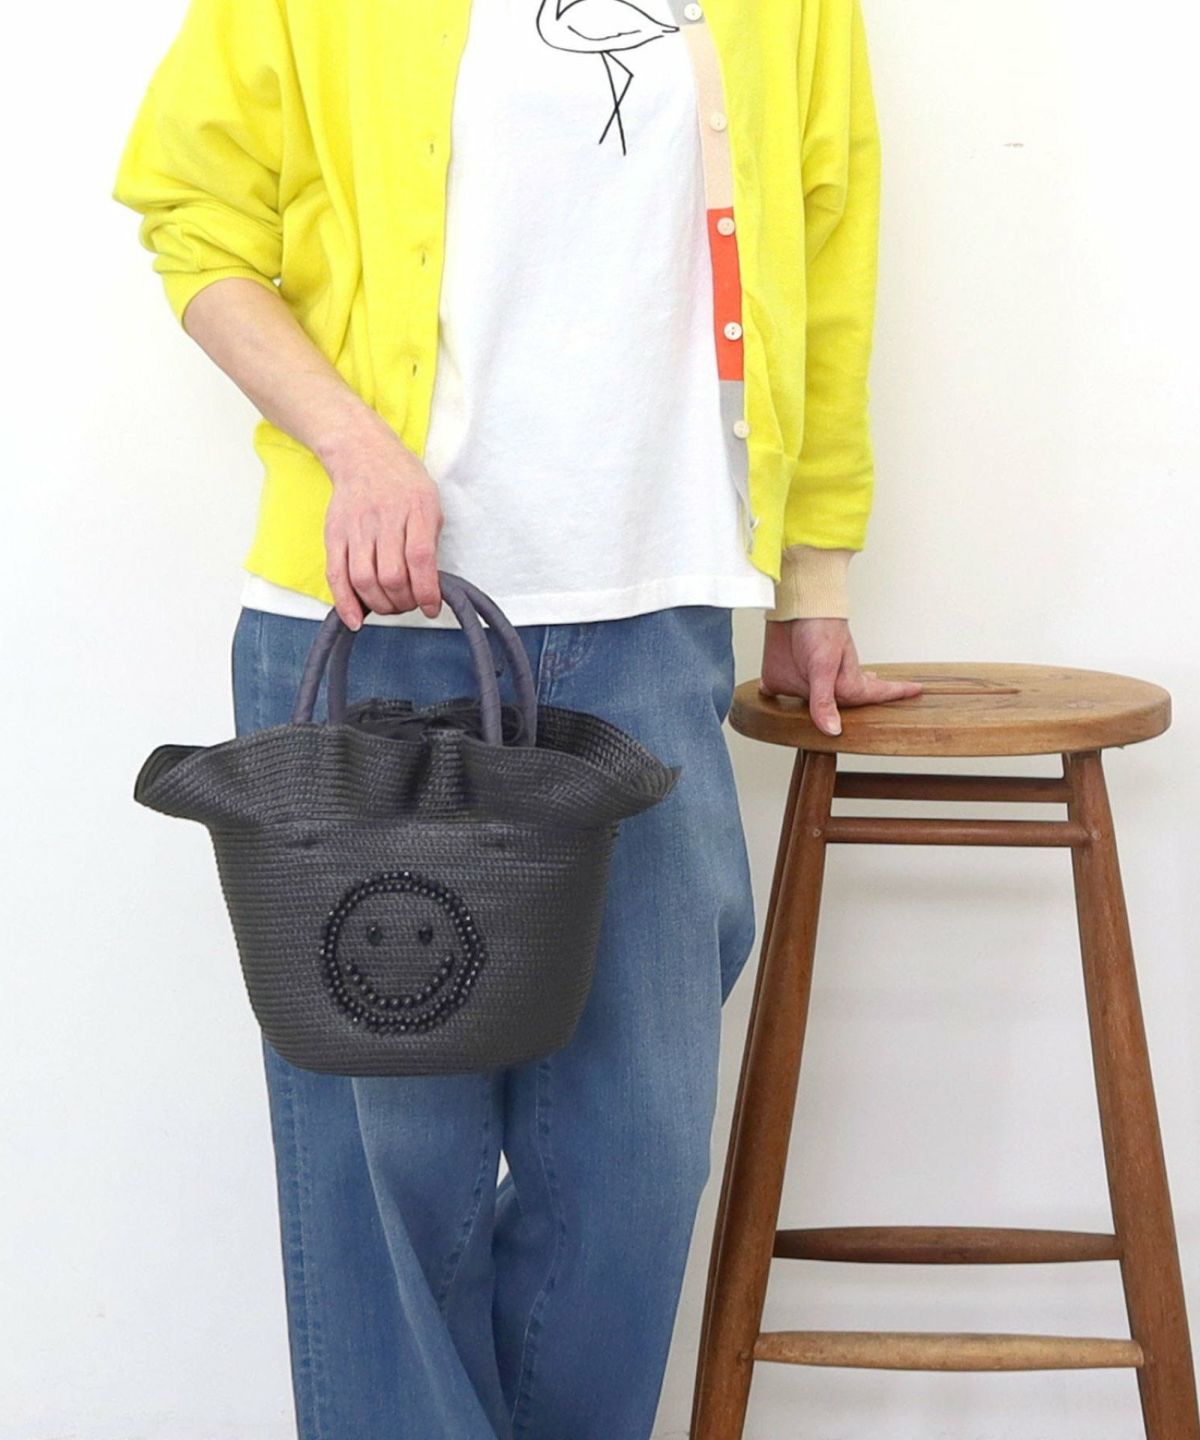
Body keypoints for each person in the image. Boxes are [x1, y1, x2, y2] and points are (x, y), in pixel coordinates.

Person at [113, 1, 922, 1436]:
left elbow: (829, 245)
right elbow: (196, 215)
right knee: (396, 1163)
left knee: (634, 1148)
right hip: (371, 624)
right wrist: (354, 446)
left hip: (652, 615)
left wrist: (814, 576)